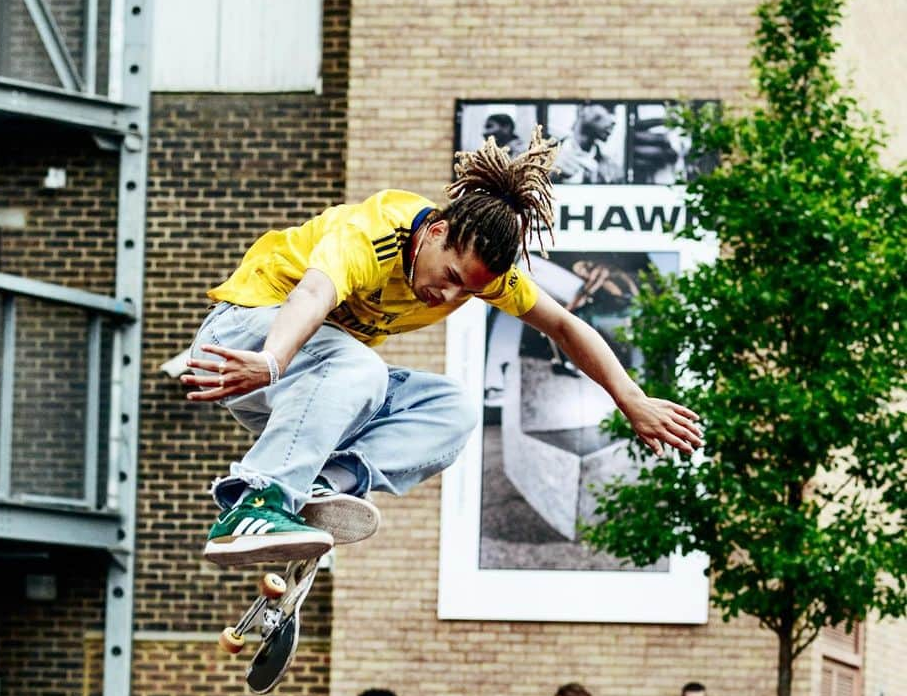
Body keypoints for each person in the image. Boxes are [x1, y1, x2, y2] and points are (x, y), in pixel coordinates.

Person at [166, 128, 701, 568]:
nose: (447, 295)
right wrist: (271, 360)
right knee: (360, 365)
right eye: (448, 276)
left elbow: (564, 326)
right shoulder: (373, 233)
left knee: (454, 408)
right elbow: (313, 292)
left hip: (315, 382)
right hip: (242, 342)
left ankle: (324, 487)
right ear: (437, 231)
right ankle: (256, 500)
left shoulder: (480, 275)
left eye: (466, 290)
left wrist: (631, 399)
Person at [554, 104, 625, 185]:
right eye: (608, 108)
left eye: (613, 112)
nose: (614, 120)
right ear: (582, 108)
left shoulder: (613, 172)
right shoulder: (544, 157)